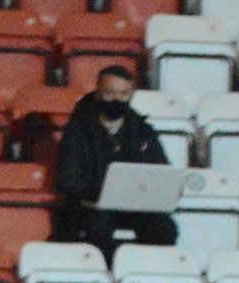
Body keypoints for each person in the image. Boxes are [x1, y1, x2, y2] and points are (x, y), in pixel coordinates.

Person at [53, 65, 177, 264]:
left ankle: (145, 274)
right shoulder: (78, 131)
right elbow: (68, 179)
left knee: (164, 227)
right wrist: (99, 194)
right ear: (98, 92)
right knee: (97, 226)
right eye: (110, 93)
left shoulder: (143, 131)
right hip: (89, 207)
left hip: (132, 206)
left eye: (124, 93)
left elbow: (160, 170)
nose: (117, 100)